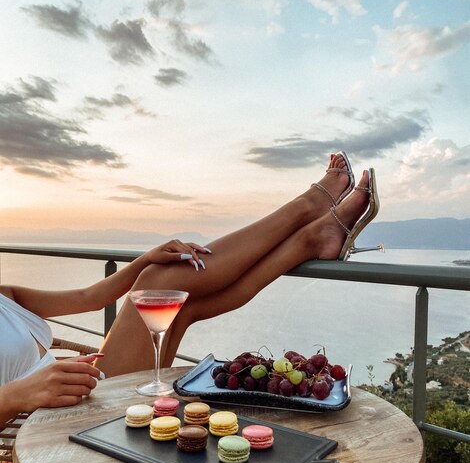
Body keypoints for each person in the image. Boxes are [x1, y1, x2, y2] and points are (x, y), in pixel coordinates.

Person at [0, 153, 380, 427]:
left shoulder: (4, 295)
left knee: (171, 291)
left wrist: (144, 259)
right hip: (45, 427)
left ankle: (314, 239)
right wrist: (18, 395)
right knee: (162, 284)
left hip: (82, 393)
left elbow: (90, 298)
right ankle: (309, 212)